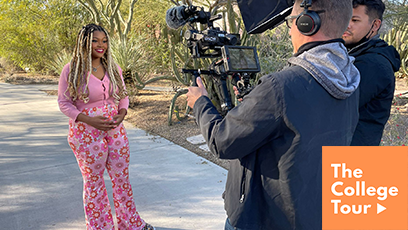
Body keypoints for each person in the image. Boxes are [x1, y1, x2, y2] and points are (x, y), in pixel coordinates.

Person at [186, 0, 360, 229]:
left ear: (308, 23)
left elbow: (222, 142)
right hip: (312, 213)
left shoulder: (281, 86)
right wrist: (254, 103)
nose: (289, 30)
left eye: (291, 21)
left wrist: (200, 102)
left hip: (262, 218)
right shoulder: (352, 78)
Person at [58, 24, 154, 230]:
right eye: (95, 40)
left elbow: (123, 95)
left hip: (115, 130)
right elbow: (64, 103)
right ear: (84, 42)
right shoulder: (71, 70)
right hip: (85, 134)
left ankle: (130, 224)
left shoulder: (113, 67)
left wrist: (122, 112)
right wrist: (86, 119)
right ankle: (100, 227)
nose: (101, 45)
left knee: (121, 178)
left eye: (104, 40)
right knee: (94, 182)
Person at [342, 0, 401, 146]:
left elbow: (334, 106)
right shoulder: (356, 54)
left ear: (375, 25)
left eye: (355, 20)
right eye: (344, 18)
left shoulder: (373, 64)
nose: (347, 25)